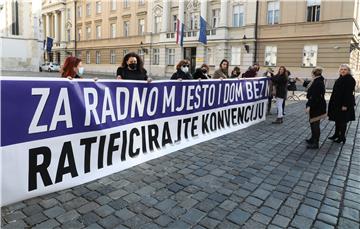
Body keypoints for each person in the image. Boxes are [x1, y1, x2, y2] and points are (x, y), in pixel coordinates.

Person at [296, 68, 327, 149]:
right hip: (317, 105)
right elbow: (309, 85)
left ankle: (315, 143)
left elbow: (314, 96)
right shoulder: (317, 80)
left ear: (313, 73)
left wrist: (309, 106)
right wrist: (300, 80)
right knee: (312, 123)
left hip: (317, 106)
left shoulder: (318, 82)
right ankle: (313, 139)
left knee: (315, 124)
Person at [327, 64, 356, 144]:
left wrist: (345, 105)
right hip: (337, 103)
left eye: (345, 69)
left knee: (343, 121)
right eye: (341, 69)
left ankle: (342, 137)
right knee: (337, 120)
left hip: (344, 104)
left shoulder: (350, 79)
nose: (343, 71)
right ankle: (336, 134)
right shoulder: (341, 78)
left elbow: (348, 94)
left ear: (348, 71)